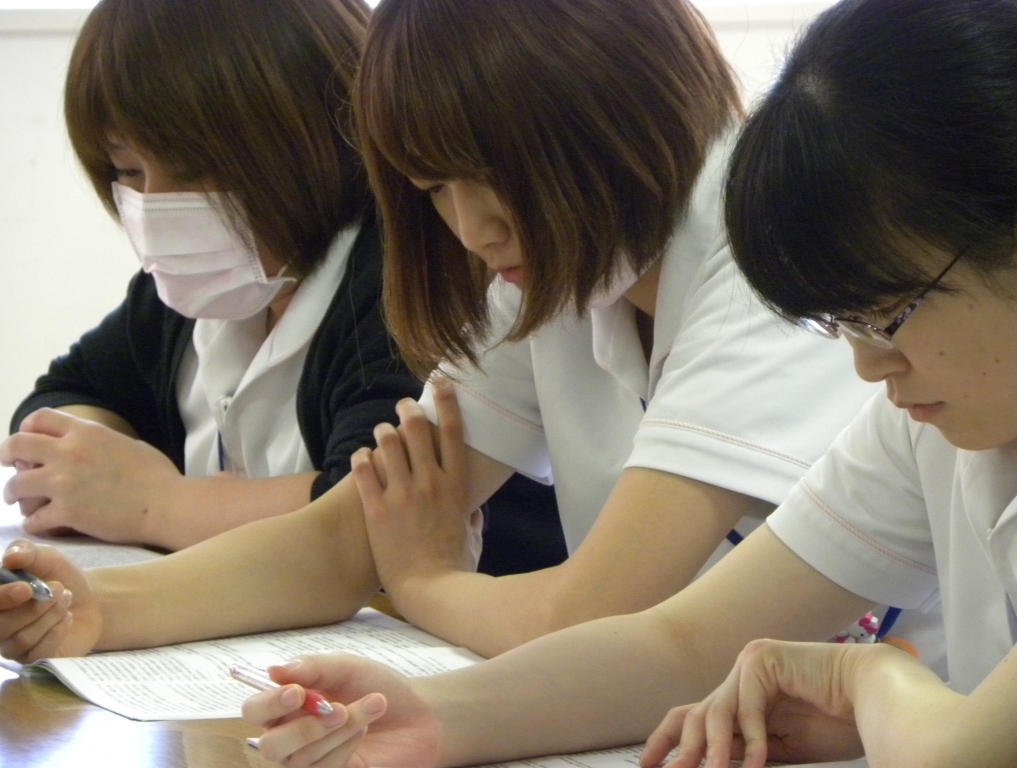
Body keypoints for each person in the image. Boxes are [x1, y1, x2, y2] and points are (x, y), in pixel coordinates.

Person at [226, 1, 1017, 767]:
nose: (866, 367)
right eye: (845, 323)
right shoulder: (921, 423)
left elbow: (957, 753)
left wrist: (869, 678)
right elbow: (682, 642)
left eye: (889, 313)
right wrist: (428, 719)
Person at [0, 0, 880, 670]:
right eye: (433, 190)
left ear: (610, 108)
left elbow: (591, 614)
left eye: (493, 175)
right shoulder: (553, 266)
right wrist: (103, 609)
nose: (470, 228)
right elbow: (347, 536)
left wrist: (424, 583)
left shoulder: (759, 246)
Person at [0, 0, 564, 570]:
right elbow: (64, 393)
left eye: (194, 169)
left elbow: (372, 513)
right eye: (127, 171)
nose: (156, 205)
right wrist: (87, 468)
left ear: (312, 135)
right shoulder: (195, 287)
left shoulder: (409, 276)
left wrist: (155, 503)